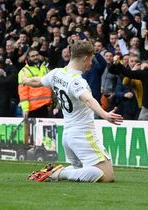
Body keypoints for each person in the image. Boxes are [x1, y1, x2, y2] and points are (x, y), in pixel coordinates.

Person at [24, 40, 123, 183]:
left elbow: (37, 81)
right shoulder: (76, 81)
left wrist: (25, 80)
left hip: (68, 135)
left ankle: (58, 171)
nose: (91, 64)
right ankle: (58, 173)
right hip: (83, 134)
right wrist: (105, 115)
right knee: (107, 175)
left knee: (79, 168)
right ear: (85, 58)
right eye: (91, 60)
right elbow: (88, 99)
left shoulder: (57, 73)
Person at [18, 49, 52, 118]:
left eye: (37, 55)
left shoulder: (45, 68)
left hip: (46, 106)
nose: (35, 57)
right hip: (33, 107)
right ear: (28, 58)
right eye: (32, 56)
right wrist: (25, 108)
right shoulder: (24, 71)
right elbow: (23, 93)